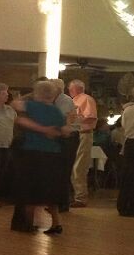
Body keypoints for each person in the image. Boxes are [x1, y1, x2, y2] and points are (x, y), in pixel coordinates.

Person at [11, 80, 68, 233]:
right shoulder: (57, 111)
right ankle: (56, 223)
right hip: (53, 154)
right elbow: (64, 130)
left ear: (38, 93)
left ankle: (29, 224)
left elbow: (15, 104)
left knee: (31, 189)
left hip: (33, 151)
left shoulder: (33, 106)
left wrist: (30, 95)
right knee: (50, 189)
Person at [50, 78, 79, 212]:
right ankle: (58, 203)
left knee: (63, 171)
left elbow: (61, 119)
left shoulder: (64, 101)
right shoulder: (58, 100)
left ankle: (62, 203)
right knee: (58, 171)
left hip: (68, 138)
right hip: (63, 137)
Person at [68, 78, 97, 207]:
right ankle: (76, 195)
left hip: (83, 134)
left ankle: (80, 197)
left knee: (79, 166)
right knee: (74, 165)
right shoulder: (73, 100)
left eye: (70, 88)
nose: (69, 90)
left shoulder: (86, 99)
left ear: (77, 88)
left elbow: (90, 117)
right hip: (75, 135)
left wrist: (74, 121)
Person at [117, 85, 134, 216]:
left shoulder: (128, 110)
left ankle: (125, 206)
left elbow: (124, 126)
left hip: (131, 144)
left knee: (129, 176)